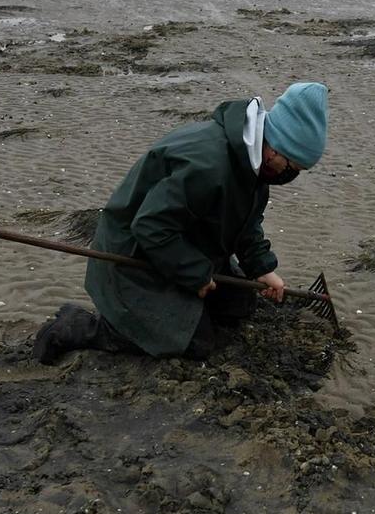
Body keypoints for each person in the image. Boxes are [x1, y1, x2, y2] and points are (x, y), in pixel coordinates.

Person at [32, 83, 329, 364]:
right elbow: (149, 226)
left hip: (185, 242)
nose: (290, 176)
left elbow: (246, 221)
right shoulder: (208, 165)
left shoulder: (254, 164)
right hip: (134, 255)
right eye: (292, 167)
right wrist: (194, 273)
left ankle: (180, 305)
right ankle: (83, 326)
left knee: (240, 306)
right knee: (194, 344)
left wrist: (262, 267)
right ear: (275, 148)